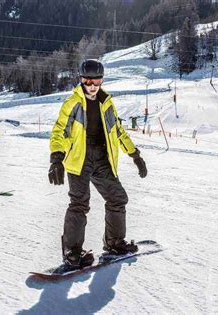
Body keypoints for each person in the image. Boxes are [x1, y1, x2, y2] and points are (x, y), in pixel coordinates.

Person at [48, 59, 148, 270]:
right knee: (79, 203)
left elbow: (119, 132)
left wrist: (135, 154)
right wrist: (56, 157)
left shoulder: (107, 103)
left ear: (102, 80)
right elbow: (60, 131)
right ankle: (72, 253)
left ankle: (114, 244)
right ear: (81, 80)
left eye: (96, 81)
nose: (92, 86)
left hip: (102, 158)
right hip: (79, 159)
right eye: (87, 81)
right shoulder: (72, 104)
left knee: (117, 198)